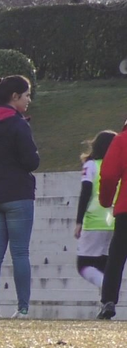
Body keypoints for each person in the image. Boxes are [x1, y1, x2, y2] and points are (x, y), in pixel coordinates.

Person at [0, 75, 39, 318]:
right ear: (14, 97)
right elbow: (31, 161)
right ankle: (22, 308)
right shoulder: (18, 123)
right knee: (20, 252)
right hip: (19, 194)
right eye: (26, 95)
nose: (28, 100)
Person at [75, 131, 118, 296]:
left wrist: (79, 221)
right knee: (103, 263)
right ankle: (106, 301)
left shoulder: (91, 165)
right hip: (114, 220)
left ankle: (107, 287)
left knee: (83, 265)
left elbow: (85, 192)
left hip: (95, 220)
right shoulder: (118, 166)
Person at [96, 119, 127, 319]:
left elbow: (108, 175)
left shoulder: (121, 141)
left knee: (116, 256)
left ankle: (109, 300)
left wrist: (106, 200)